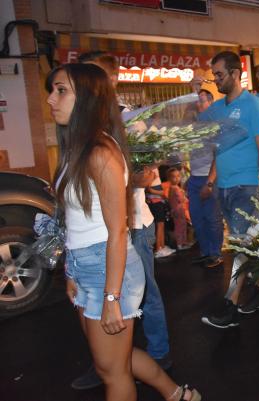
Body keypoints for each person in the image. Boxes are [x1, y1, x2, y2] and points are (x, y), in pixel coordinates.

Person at [47, 63, 200, 401]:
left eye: (61, 91)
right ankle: (177, 394)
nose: (50, 99)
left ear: (87, 98)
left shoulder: (101, 154)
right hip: (86, 266)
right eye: (52, 90)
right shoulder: (75, 149)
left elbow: (118, 231)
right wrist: (71, 272)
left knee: (113, 373)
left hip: (110, 270)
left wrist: (112, 298)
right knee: (114, 362)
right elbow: (76, 224)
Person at [72, 52, 172, 391]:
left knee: (146, 295)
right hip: (95, 240)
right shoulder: (82, 131)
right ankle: (113, 363)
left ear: (110, 80)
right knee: (108, 323)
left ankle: (159, 354)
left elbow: (150, 171)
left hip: (132, 224)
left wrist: (123, 178)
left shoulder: (130, 121)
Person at [199, 51, 259, 328]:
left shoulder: (254, 106)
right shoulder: (216, 110)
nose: (215, 80)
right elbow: (206, 140)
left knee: (241, 243)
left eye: (219, 74)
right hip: (224, 187)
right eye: (214, 75)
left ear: (235, 73)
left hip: (247, 186)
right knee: (245, 243)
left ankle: (230, 302)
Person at [186, 88, 225, 268]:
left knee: (212, 218)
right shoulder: (194, 127)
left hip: (210, 179)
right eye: (196, 101)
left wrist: (209, 182)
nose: (198, 104)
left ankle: (216, 254)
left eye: (202, 100)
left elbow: (219, 156)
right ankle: (206, 252)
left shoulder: (215, 127)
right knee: (197, 218)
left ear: (211, 103)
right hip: (194, 178)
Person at [146, 168, 176, 257]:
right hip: (155, 201)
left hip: (157, 201)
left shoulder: (153, 168)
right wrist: (162, 193)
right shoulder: (150, 169)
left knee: (161, 225)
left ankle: (161, 246)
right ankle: (159, 248)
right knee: (159, 225)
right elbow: (149, 189)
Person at [167, 168, 192, 251]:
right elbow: (181, 199)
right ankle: (180, 243)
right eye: (174, 177)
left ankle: (183, 242)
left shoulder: (173, 187)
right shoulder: (175, 188)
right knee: (180, 226)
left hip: (177, 210)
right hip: (178, 210)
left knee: (182, 225)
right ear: (169, 178)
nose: (177, 178)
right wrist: (185, 196)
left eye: (178, 176)